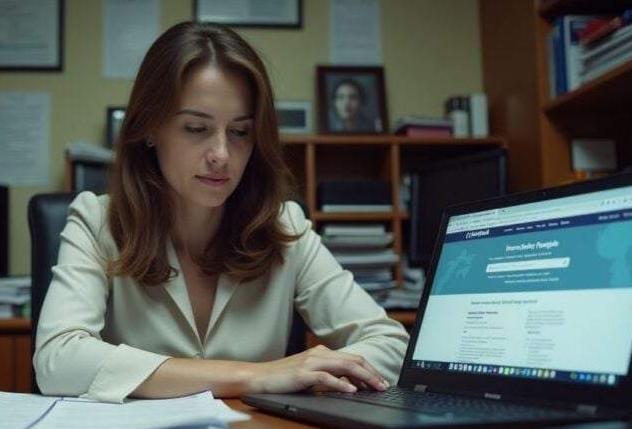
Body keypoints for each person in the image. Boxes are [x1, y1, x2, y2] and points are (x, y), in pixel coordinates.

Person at [34, 21, 408, 403]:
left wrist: (313, 378)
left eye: (241, 132)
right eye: (196, 127)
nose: (221, 155)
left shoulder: (285, 226)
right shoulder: (97, 221)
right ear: (149, 128)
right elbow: (57, 360)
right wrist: (255, 377)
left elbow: (391, 344)